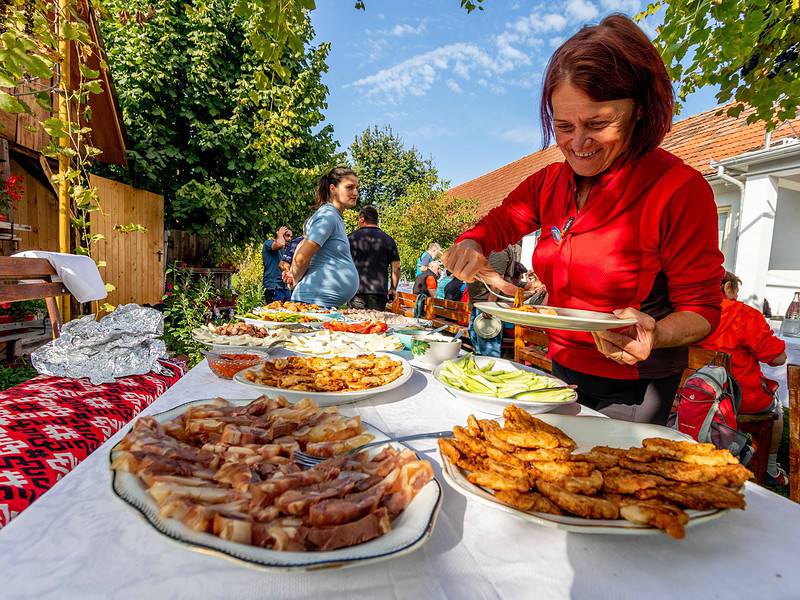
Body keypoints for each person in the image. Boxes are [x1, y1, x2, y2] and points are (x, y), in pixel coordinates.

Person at [442, 15, 724, 425]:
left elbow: (702, 310)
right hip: (560, 369)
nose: (577, 144)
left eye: (598, 124)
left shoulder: (679, 189)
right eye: (563, 126)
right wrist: (471, 243)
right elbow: (498, 223)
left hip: (634, 386)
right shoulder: (548, 183)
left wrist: (656, 333)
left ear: (640, 111)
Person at [698, 272, 788, 485]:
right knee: (776, 407)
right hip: (737, 398)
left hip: (694, 392)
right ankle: (770, 468)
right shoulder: (742, 314)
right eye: (736, 291)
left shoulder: (687, 314)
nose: (737, 297)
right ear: (727, 287)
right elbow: (777, 359)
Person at [283, 167, 360, 308]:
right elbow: (302, 256)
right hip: (312, 303)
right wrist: (294, 278)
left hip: (318, 303)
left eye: (356, 188)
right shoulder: (328, 216)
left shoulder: (333, 216)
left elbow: (303, 245)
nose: (356, 193)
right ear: (333, 189)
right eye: (350, 187)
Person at [466, 245, 516, 358]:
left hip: (488, 306)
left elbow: (498, 281)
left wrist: (489, 305)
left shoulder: (499, 248)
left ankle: (487, 373)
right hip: (479, 305)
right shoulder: (486, 246)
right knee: (478, 350)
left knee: (488, 353)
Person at [348, 205, 401, 310]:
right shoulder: (389, 240)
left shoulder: (351, 238)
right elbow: (396, 268)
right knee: (376, 323)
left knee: (355, 323)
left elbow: (342, 264)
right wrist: (393, 288)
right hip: (379, 292)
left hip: (356, 290)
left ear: (362, 219)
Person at [262, 226, 293, 303]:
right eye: (287, 235)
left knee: (288, 313)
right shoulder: (268, 243)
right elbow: (279, 244)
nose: (290, 239)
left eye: (291, 236)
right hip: (273, 287)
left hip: (286, 288)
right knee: (274, 313)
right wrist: (280, 234)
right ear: (278, 233)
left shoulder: (287, 250)